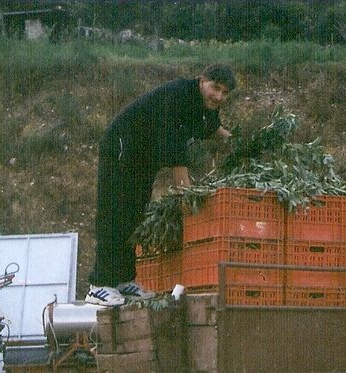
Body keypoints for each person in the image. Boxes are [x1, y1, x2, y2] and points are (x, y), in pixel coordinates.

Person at [86, 63, 236, 306]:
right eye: (215, 88)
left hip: (143, 159)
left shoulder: (205, 107)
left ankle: (123, 279)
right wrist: (186, 195)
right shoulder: (178, 96)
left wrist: (233, 139)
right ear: (202, 81)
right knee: (115, 212)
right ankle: (99, 284)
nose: (219, 96)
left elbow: (211, 126)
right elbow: (175, 150)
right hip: (122, 147)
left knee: (134, 215)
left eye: (225, 93)